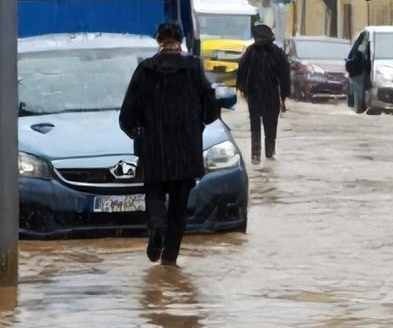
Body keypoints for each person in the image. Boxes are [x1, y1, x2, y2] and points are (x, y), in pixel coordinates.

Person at [119, 21, 218, 266]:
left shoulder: (146, 69)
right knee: (178, 208)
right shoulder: (194, 68)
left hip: (155, 148)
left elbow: (128, 114)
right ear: (180, 40)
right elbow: (210, 109)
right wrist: (198, 123)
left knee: (154, 195)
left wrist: (137, 132)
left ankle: (156, 229)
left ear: (159, 41)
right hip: (186, 150)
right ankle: (169, 259)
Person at [235, 23, 290, 163]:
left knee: (258, 124)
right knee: (268, 124)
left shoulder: (252, 51)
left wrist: (242, 89)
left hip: (257, 94)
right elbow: (284, 75)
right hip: (265, 94)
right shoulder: (275, 52)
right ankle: (267, 153)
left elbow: (241, 72)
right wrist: (284, 97)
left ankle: (257, 155)